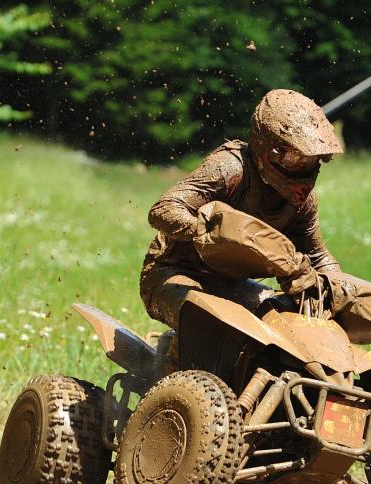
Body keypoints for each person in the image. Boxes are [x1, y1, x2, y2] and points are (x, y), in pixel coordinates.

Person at [139, 88, 343, 331]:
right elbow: (163, 209)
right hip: (172, 273)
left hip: (231, 285)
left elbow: (318, 256)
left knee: (288, 320)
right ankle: (173, 360)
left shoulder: (302, 201)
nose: (304, 169)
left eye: (313, 160)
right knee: (209, 317)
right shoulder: (231, 169)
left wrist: (340, 291)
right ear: (270, 151)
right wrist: (214, 233)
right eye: (295, 160)